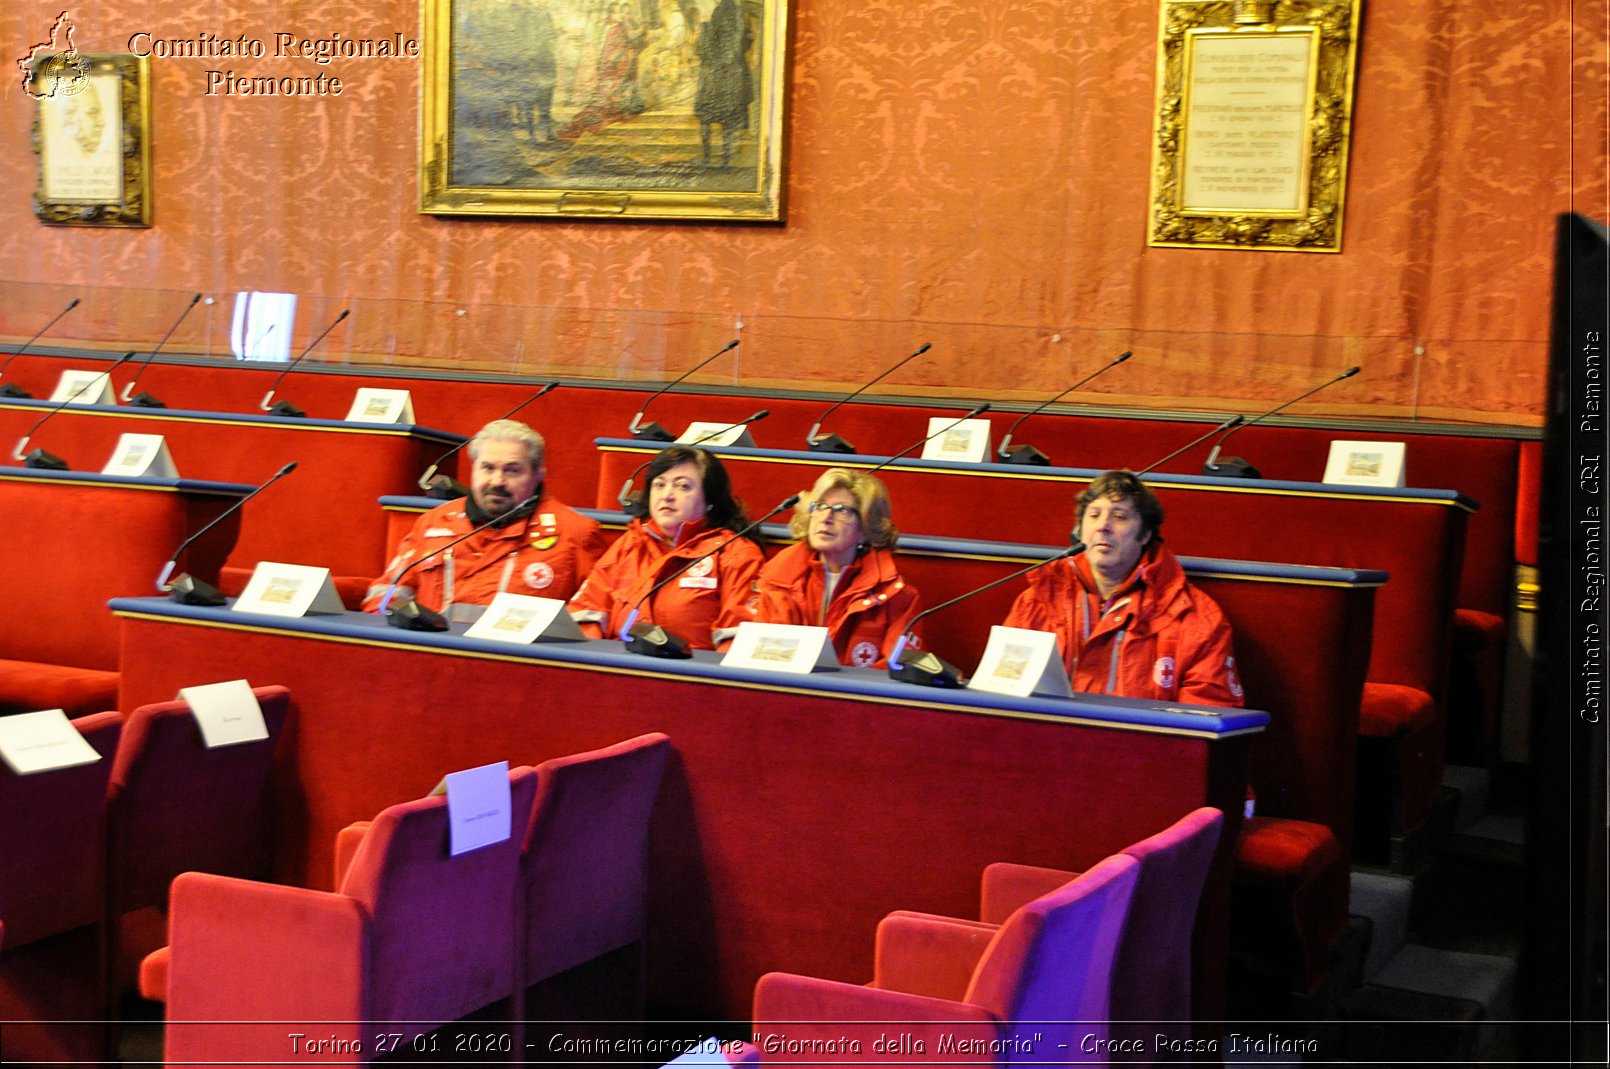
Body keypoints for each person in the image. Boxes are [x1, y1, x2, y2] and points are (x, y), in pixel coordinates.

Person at [1003, 469, 1244, 706]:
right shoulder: (1037, 600)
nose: (1103, 526)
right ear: (1080, 531)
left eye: (1119, 517)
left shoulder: (1195, 616)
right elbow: (1003, 688)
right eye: (1094, 515)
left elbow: (1208, 715)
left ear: (1145, 535)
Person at [363, 419, 605, 621]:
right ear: (473, 470)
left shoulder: (576, 534)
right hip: (429, 657)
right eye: (487, 468)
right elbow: (386, 593)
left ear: (538, 475)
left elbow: (589, 617)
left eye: (512, 470)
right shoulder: (433, 524)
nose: (497, 481)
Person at [569, 445, 763, 648]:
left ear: (710, 501)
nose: (667, 495)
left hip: (691, 675)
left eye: (683, 486)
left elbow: (737, 643)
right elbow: (586, 612)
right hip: (617, 669)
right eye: (659, 485)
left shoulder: (738, 554)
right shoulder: (630, 543)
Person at [726, 468, 921, 668]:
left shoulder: (897, 597)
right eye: (820, 506)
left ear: (865, 529)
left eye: (842, 510)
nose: (826, 517)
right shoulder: (775, 580)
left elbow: (896, 671)